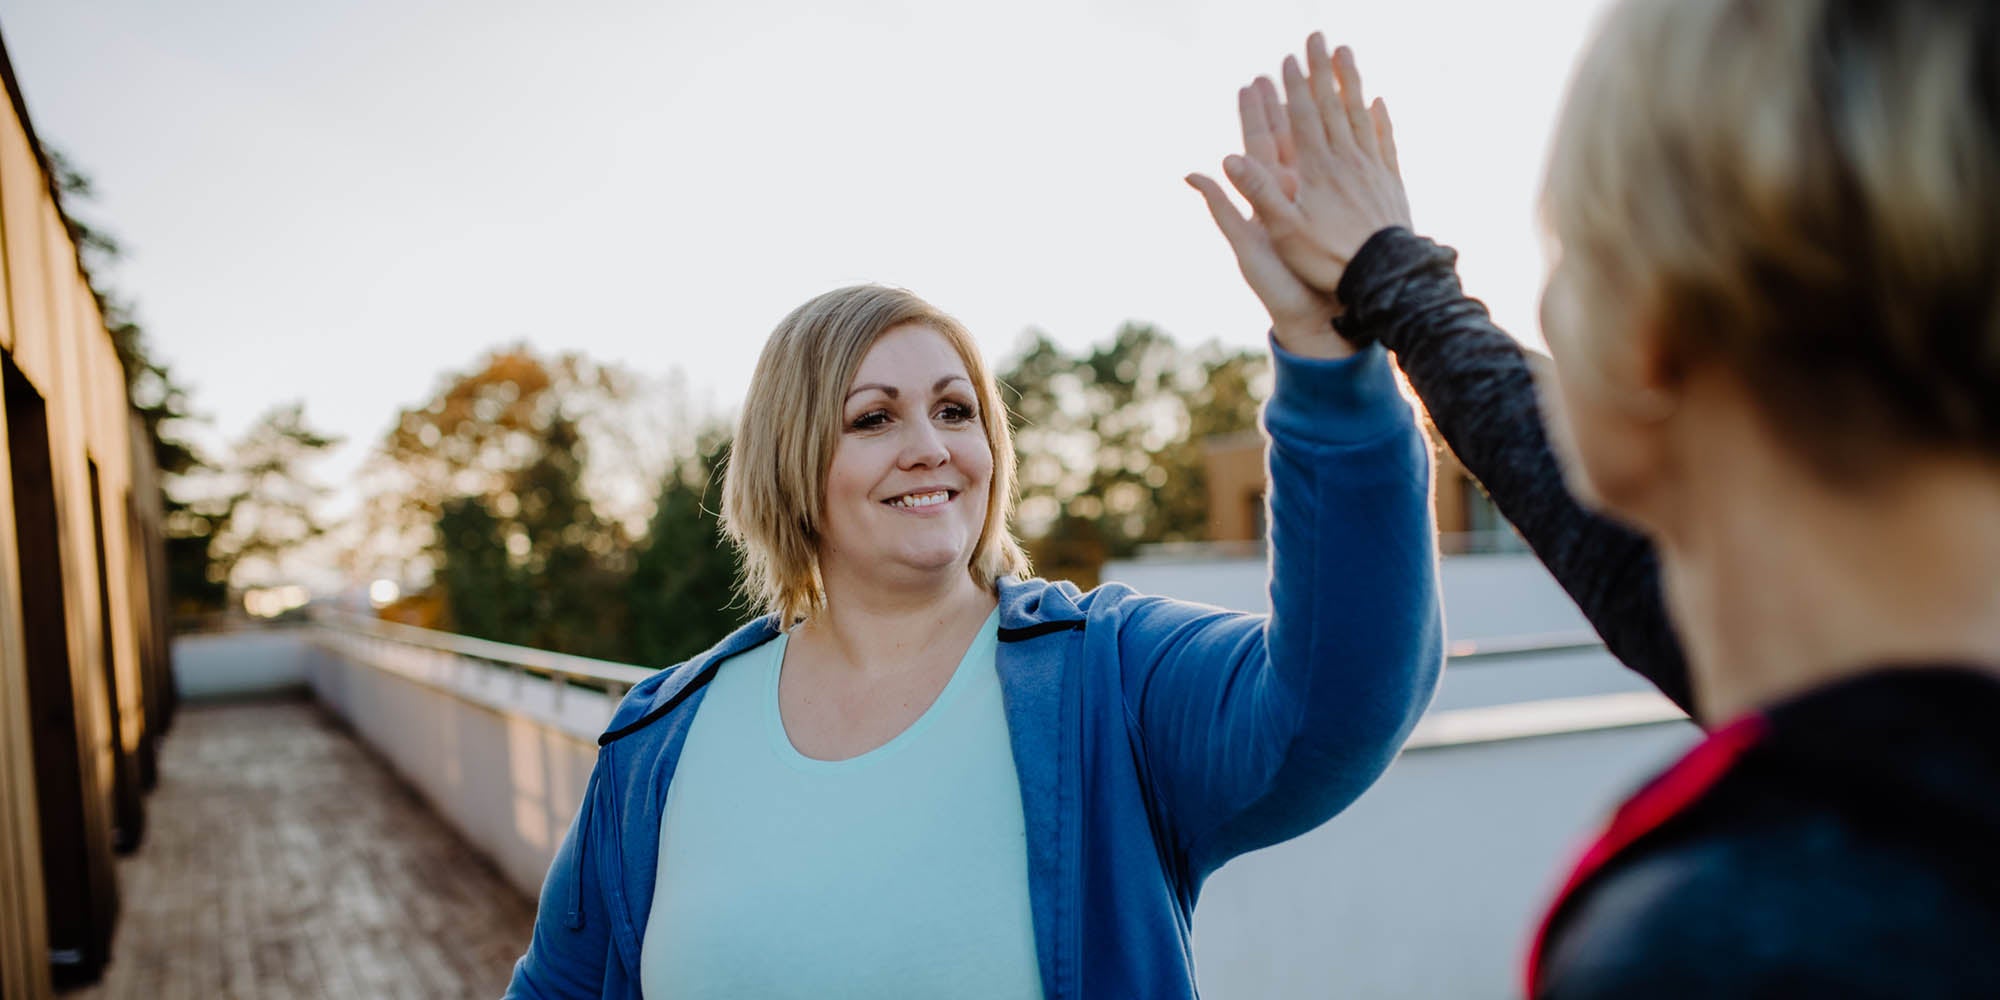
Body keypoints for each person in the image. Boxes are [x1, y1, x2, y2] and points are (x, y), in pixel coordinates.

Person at [1191, 8, 2000, 997]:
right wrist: (1390, 281)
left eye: (1569, 264)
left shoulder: (1731, 938)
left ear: (1647, 344)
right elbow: (1633, 573)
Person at [505, 170, 1444, 996]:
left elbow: (1335, 704)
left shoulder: (1107, 678)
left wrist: (1329, 362)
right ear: (791, 464)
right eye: (874, 418)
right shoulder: (659, 738)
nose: (931, 449)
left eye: (956, 410)